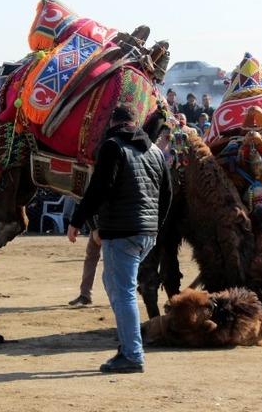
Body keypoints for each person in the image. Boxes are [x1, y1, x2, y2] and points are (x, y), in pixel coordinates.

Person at [66, 105, 172, 374]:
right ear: (134, 123)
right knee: (112, 282)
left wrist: (78, 221)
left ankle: (132, 354)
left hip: (122, 232)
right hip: (146, 233)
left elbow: (99, 188)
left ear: (113, 122)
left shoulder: (112, 146)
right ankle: (128, 343)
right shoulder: (156, 152)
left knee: (123, 291)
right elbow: (168, 193)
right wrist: (155, 227)